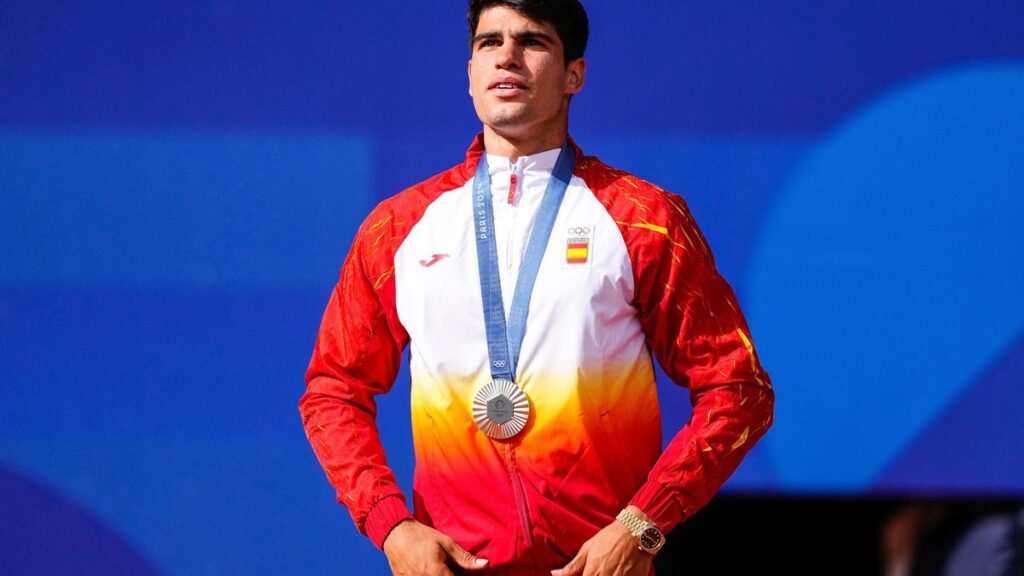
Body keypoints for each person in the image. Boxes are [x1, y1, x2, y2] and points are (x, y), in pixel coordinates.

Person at [299, 1, 774, 574]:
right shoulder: (397, 229)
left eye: (533, 41)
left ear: (575, 73)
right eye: (488, 42)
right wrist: (391, 526)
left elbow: (737, 388)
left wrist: (641, 526)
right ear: (470, 73)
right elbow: (333, 390)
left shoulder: (642, 219)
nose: (507, 57)